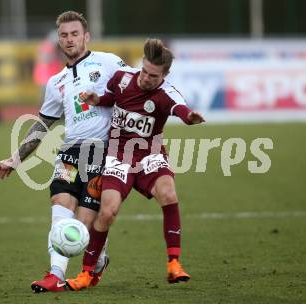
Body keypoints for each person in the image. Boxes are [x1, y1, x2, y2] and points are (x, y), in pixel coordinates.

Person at [0, 11, 127, 293]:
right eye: (64, 35)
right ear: (59, 40)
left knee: (84, 224)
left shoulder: (108, 62)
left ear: (86, 36)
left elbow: (134, 90)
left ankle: (98, 258)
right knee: (60, 204)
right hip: (70, 151)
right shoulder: (56, 82)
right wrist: (15, 158)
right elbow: (43, 124)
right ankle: (55, 274)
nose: (69, 39)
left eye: (74, 34)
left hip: (102, 152)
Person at [66, 39, 205, 291]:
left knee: (169, 193)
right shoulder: (122, 77)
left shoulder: (166, 93)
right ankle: (87, 272)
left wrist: (189, 118)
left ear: (164, 75)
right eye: (144, 71)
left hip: (150, 154)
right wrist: (97, 99)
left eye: (153, 76)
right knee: (107, 212)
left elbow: (179, 108)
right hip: (118, 154)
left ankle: (174, 263)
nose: (146, 78)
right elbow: (112, 97)